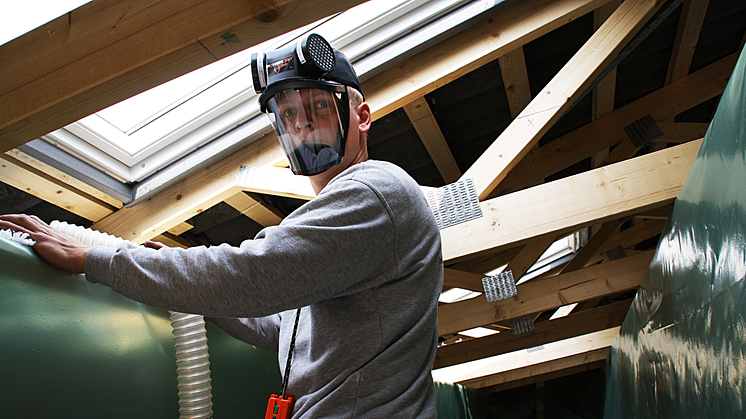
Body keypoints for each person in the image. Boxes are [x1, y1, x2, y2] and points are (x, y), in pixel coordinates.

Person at [0, 34, 443, 418]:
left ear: (362, 117)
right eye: (287, 114)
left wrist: (94, 258)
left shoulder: (377, 190)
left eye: (320, 107)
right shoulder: (341, 245)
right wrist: (176, 282)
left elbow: (254, 274)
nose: (303, 124)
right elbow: (278, 328)